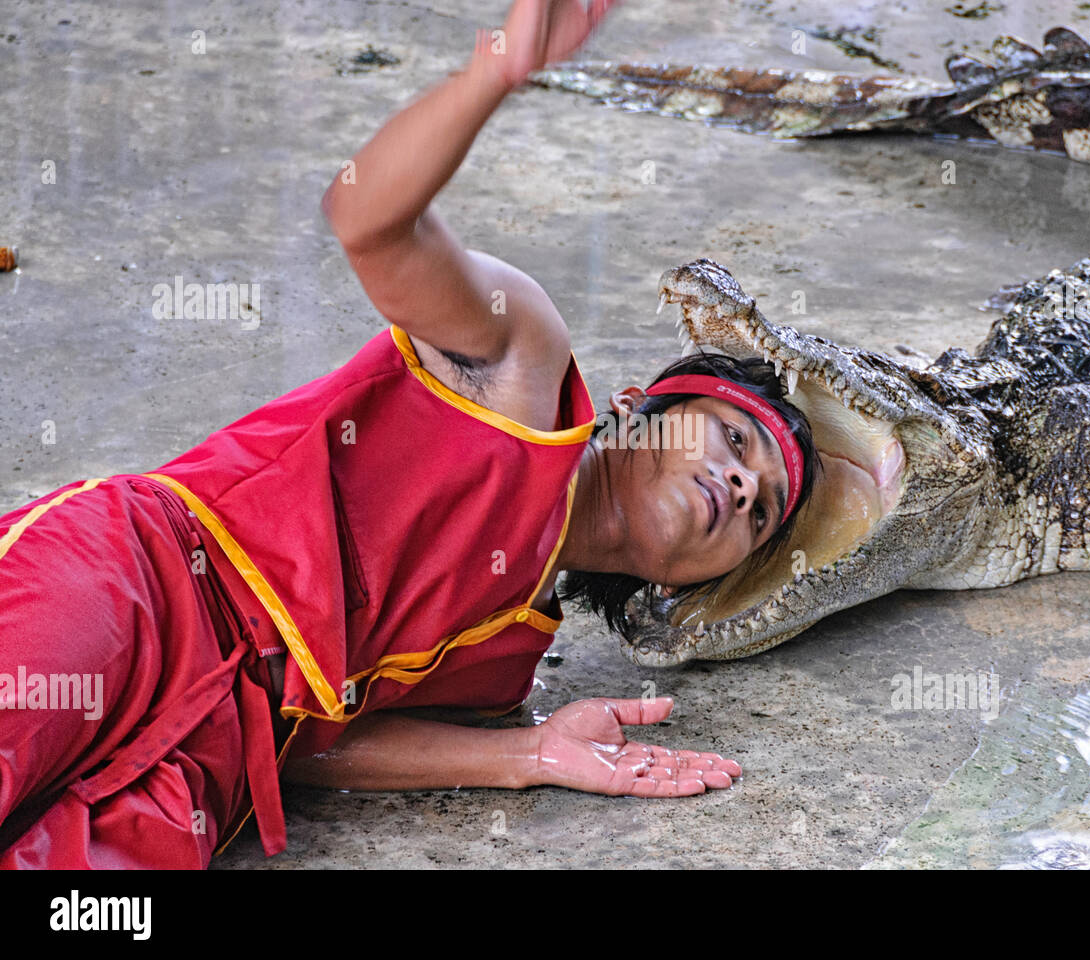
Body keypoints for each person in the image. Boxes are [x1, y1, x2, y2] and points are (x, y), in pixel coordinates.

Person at [0, 0, 820, 868]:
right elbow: (367, 218)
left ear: (690, 583)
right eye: (734, 440)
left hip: (215, 765)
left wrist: (531, 755)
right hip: (147, 587)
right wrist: (491, 74)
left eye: (760, 510)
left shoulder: (505, 668)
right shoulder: (519, 367)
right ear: (636, 408)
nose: (738, 486)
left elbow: (314, 746)